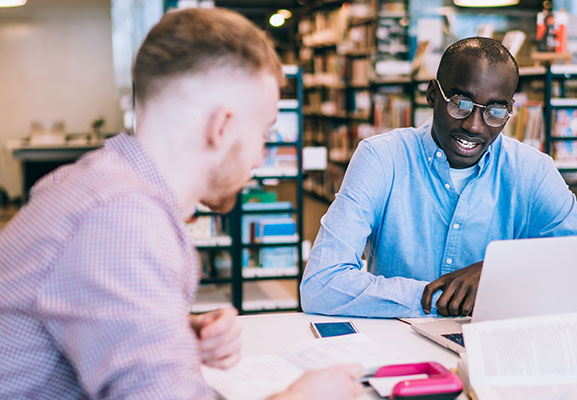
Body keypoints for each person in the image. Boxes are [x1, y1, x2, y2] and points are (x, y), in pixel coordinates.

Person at [0, 8, 362, 400]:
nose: (261, 156)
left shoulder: (94, 183)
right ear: (221, 127)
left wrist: (170, 329)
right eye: (264, 131)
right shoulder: (121, 220)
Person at [300, 37, 577, 319]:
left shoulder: (531, 170)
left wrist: (501, 273)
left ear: (510, 109)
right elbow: (321, 285)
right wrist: (438, 298)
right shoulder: (382, 158)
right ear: (432, 95)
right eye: (460, 104)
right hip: (400, 346)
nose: (474, 126)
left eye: (495, 110)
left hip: (497, 345)